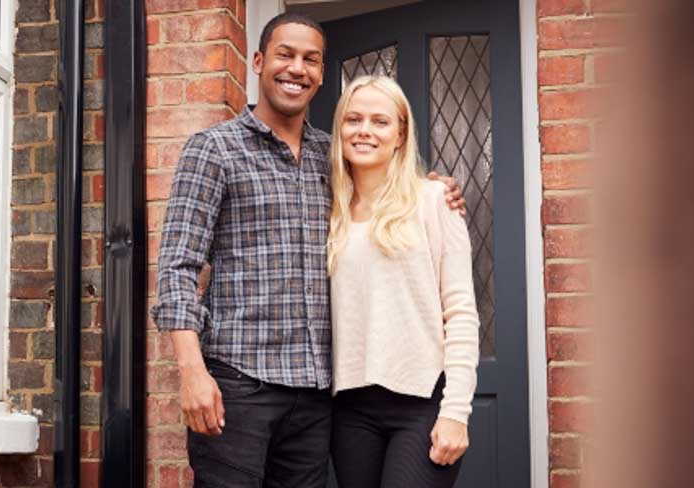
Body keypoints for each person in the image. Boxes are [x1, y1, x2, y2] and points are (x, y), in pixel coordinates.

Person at [150, 13, 465, 488]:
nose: (297, 68)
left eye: (310, 60)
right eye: (285, 55)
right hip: (239, 386)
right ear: (258, 62)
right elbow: (177, 266)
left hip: (316, 398)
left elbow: (388, 190)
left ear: (320, 74)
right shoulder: (213, 150)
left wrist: (436, 189)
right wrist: (191, 371)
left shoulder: (331, 157)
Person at [327, 75, 480, 488]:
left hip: (422, 404)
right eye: (353, 119)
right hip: (350, 409)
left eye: (380, 121)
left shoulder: (433, 202)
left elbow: (462, 313)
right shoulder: (329, 213)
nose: (364, 131)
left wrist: (455, 412)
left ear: (400, 134)